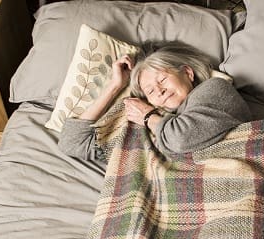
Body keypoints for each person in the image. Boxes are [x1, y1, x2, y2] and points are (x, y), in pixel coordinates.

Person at [58, 41, 251, 160]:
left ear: (187, 72)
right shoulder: (144, 120)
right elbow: (72, 143)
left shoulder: (215, 88)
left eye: (163, 79)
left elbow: (180, 138)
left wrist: (148, 116)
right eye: (150, 90)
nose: (159, 91)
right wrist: (115, 86)